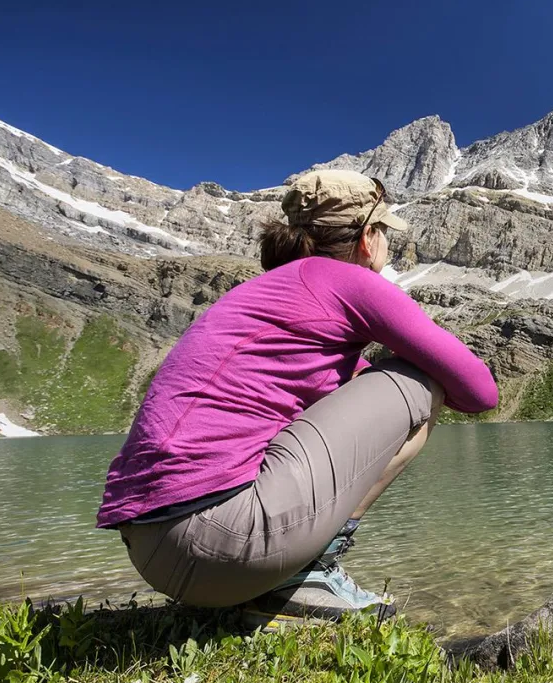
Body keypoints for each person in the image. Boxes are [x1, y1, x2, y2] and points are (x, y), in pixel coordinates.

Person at [97, 170, 498, 625]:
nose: (388, 243)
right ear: (368, 237)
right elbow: (480, 391)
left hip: (154, 552)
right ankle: (310, 572)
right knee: (418, 382)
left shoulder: (264, 292)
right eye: (384, 231)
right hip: (220, 544)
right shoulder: (348, 282)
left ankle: (279, 582)